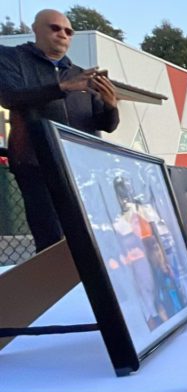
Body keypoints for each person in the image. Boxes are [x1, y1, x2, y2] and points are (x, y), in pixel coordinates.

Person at [0, 8, 119, 252]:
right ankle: (57, 286)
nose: (63, 34)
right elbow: (10, 97)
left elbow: (106, 124)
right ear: (35, 29)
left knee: (89, 235)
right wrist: (62, 87)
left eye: (68, 31)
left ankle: (87, 285)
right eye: (55, 28)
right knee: (51, 239)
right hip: (36, 165)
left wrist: (111, 106)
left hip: (81, 167)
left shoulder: (81, 74)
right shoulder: (12, 58)